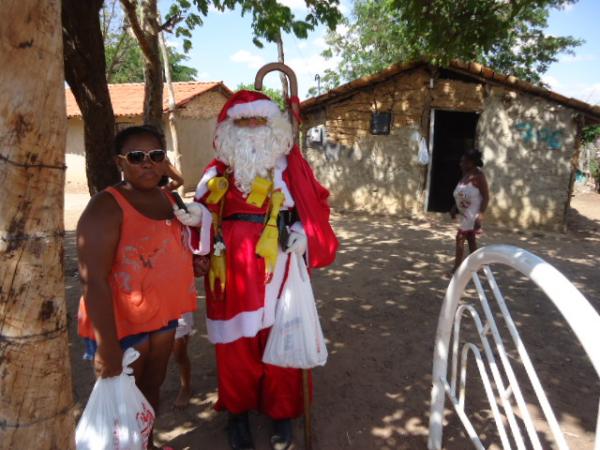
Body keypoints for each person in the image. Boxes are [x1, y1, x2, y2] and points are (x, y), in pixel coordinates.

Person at [174, 90, 338, 450]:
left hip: (280, 269)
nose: (251, 128)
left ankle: (281, 413)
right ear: (228, 130)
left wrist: (301, 234)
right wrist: (196, 216)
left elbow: (313, 208)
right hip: (232, 273)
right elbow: (206, 211)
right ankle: (238, 415)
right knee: (237, 349)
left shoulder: (290, 168)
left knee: (284, 338)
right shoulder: (216, 171)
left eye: (259, 121)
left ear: (273, 126)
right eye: (242, 122)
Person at [76, 125, 199, 450]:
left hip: (163, 316)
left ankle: (147, 444)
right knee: (121, 403)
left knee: (151, 387)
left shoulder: (169, 199)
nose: (148, 163)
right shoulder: (106, 207)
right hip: (121, 325)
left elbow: (172, 245)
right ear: (121, 162)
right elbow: (93, 279)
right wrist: (106, 345)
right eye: (136, 156)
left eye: (156, 155)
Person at [449, 148, 490, 275]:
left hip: (472, 214)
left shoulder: (479, 177)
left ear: (472, 162)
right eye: (461, 161)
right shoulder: (466, 174)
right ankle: (477, 266)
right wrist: (454, 207)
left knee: (460, 237)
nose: (461, 164)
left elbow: (486, 197)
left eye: (464, 162)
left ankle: (457, 269)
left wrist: (480, 215)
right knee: (471, 239)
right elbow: (462, 193)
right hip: (465, 213)